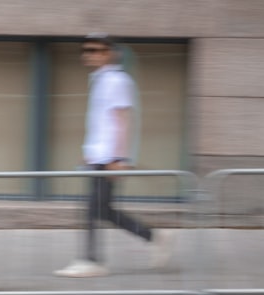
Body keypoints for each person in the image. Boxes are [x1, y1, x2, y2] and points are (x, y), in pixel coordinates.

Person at [55, 33, 174, 278]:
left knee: (93, 210)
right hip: (100, 157)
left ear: (109, 53)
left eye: (95, 50)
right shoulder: (100, 80)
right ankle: (154, 237)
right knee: (102, 210)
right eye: (85, 50)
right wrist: (89, 153)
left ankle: (92, 260)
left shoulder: (117, 80)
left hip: (109, 159)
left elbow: (122, 121)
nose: (88, 55)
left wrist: (119, 158)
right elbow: (101, 123)